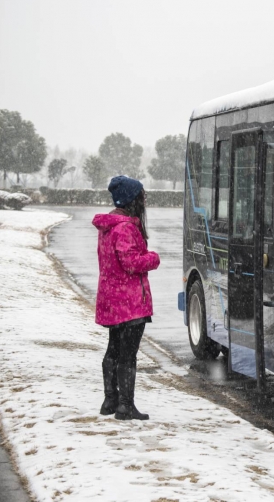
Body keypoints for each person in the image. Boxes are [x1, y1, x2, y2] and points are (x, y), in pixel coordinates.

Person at [92, 176, 160, 421]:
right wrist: (153, 258)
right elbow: (131, 263)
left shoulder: (110, 226)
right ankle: (125, 405)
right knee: (128, 355)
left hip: (112, 298)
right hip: (130, 302)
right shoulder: (126, 228)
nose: (144, 201)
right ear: (132, 200)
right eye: (141, 196)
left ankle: (110, 400)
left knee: (113, 349)